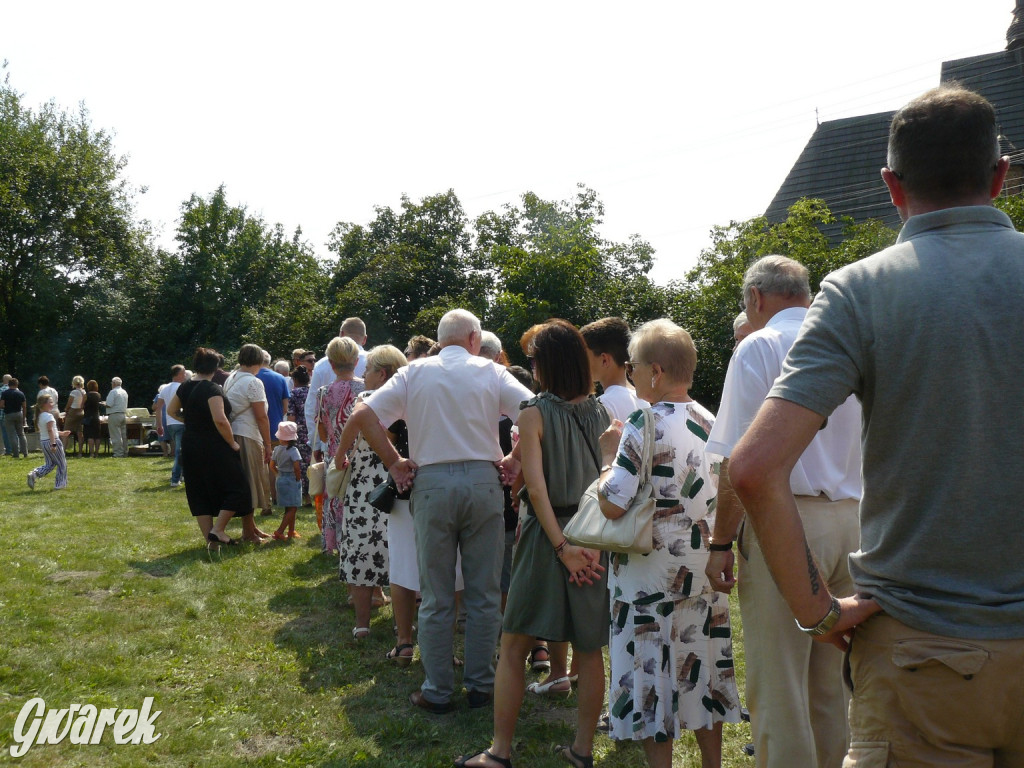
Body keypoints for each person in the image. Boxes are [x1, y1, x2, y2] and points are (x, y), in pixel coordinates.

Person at [728, 85, 1024, 767]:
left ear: (891, 185)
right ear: (1000, 175)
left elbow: (752, 468)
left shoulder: (861, 290)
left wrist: (816, 611)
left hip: (921, 651)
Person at [704, 255, 861, 768]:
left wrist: (722, 542)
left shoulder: (759, 345)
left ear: (755, 299)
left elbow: (739, 460)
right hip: (853, 519)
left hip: (785, 518)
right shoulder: (850, 336)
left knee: (778, 688)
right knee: (831, 688)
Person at [340, 309, 533, 714]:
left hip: (432, 484)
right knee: (482, 593)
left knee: (436, 593)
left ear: (441, 339)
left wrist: (395, 462)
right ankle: (481, 685)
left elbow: (364, 414)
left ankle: (437, 689)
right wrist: (514, 458)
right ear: (474, 338)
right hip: (483, 482)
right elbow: (536, 413)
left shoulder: (415, 372)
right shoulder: (491, 371)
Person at [456, 320, 610, 768]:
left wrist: (562, 549)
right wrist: (588, 547)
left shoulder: (534, 413)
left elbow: (537, 491)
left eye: (533, 359)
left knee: (515, 645)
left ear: (546, 364)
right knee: (589, 649)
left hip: (550, 540)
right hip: (592, 538)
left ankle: (499, 752)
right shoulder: (602, 413)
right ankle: (583, 750)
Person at [596, 319, 741, 768]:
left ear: (655, 371)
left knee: (651, 678)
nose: (633, 373)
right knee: (703, 670)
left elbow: (612, 506)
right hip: (701, 568)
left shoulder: (642, 422)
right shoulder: (712, 420)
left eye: (636, 366)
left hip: (647, 576)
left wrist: (607, 455)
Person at [336, 344, 407, 639]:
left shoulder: (367, 399)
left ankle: (362, 624)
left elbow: (351, 430)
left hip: (366, 485)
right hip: (399, 482)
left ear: (382, 373)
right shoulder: (409, 400)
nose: (364, 376)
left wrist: (340, 455)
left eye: (367, 370)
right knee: (401, 555)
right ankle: (403, 626)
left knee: (361, 550)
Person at [169, 347, 252, 546]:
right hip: (213, 444)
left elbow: (172, 411)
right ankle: (218, 530)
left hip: (190, 443)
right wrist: (232, 443)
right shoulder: (213, 389)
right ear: (215, 367)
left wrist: (191, 419)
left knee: (199, 490)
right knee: (238, 486)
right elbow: (220, 420)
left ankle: (210, 541)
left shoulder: (185, 386)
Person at [316, 336, 365, 554]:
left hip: (334, 452)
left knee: (334, 496)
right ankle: (356, 542)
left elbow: (322, 431)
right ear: (356, 362)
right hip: (361, 452)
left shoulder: (323, 392)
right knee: (357, 497)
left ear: (331, 364)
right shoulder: (365, 390)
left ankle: (331, 544)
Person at [223, 344, 273, 543]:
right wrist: (268, 444)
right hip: (247, 435)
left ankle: (251, 527)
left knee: (245, 481)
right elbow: (261, 417)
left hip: (233, 434)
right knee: (250, 482)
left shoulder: (231, 378)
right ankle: (248, 533)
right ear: (259, 361)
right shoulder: (253, 382)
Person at [304, 317, 368, 455]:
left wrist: (315, 445)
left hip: (332, 448)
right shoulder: (374, 360)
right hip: (365, 449)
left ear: (341, 334)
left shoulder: (322, 365)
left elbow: (311, 408)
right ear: (365, 339)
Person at [27, 393, 69, 490]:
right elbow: (50, 431)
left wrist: (62, 433)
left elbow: (50, 430)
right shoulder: (48, 416)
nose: (52, 404)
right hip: (52, 442)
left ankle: (34, 473)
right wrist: (54, 444)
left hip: (44, 442)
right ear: (43, 404)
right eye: (50, 402)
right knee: (62, 464)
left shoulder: (40, 416)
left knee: (50, 464)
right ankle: (60, 484)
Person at [270, 421, 302, 540]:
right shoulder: (293, 450)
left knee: (289, 508)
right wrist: (298, 479)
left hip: (281, 479)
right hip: (291, 480)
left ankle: (291, 531)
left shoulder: (277, 449)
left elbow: (272, 465)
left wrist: (278, 475)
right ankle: (279, 531)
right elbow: (297, 467)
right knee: (293, 508)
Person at [285, 365, 313, 505]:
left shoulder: (294, 393)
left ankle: (305, 496)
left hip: (300, 432)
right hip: (314, 430)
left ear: (295, 379)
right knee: (313, 462)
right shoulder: (314, 392)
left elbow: (291, 416)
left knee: (301, 464)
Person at [157, 366, 187, 482]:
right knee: (180, 451)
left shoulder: (165, 388)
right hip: (180, 422)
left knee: (181, 450)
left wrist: (159, 425)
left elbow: (158, 408)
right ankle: (175, 478)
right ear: (179, 374)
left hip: (170, 424)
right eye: (184, 373)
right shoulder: (182, 387)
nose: (185, 376)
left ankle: (183, 475)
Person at [1, 378, 28, 458]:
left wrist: (6, 407)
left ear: (9, 384)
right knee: (21, 434)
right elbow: (24, 406)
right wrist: (24, 418)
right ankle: (25, 453)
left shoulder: (5, 393)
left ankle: (16, 454)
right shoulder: (21, 393)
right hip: (19, 413)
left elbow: (1, 405)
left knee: (12, 435)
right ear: (17, 384)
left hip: (8, 415)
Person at [105, 377, 129, 458]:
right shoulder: (124, 392)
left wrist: (103, 403)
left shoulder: (113, 392)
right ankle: (125, 452)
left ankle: (118, 453)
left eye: (112, 383)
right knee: (123, 435)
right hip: (123, 414)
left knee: (116, 435)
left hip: (114, 414)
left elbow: (109, 404)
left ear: (114, 383)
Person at [63, 376, 86, 456]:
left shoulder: (73, 392)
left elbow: (69, 403)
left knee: (66, 432)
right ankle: (80, 452)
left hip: (73, 412)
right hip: (81, 412)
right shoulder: (84, 392)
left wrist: (66, 409)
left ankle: (63, 451)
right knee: (80, 433)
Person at [82, 380, 102, 458]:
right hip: (96, 416)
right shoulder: (98, 395)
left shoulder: (86, 395)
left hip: (88, 416)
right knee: (97, 436)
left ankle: (91, 453)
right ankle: (96, 453)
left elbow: (81, 406)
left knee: (90, 435)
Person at [0, 373, 12, 455]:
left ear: (3, 380)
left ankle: (8, 450)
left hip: (3, 414)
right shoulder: (16, 390)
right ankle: (16, 449)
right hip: (15, 413)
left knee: (5, 433)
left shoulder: (1, 390)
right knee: (14, 432)